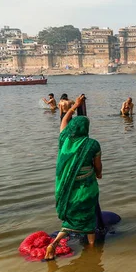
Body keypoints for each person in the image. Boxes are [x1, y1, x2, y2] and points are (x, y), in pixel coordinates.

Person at [44, 95, 103, 260]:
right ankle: (92, 252)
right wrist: (99, 174)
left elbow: (64, 122)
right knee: (88, 217)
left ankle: (54, 243)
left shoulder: (64, 139)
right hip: (86, 188)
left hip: (66, 188)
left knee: (70, 220)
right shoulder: (92, 144)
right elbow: (98, 165)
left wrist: (74, 107)